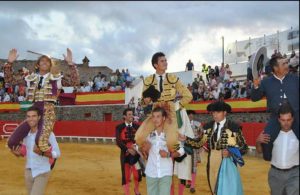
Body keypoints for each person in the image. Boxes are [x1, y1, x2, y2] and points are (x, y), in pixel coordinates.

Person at [5, 48, 79, 153]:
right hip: (33, 112)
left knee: (40, 141)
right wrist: (9, 63)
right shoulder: (29, 78)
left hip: (47, 112)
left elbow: (74, 82)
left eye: (47, 61)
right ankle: (28, 154)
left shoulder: (56, 78)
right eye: (42, 60)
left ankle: (52, 158)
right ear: (37, 64)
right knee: (11, 142)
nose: (44, 62)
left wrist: (71, 64)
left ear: (50, 65)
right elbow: (10, 80)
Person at [180, 101, 248, 195]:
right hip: (211, 161)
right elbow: (199, 142)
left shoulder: (234, 127)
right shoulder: (208, 127)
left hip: (227, 162)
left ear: (225, 112)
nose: (215, 115)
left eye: (218, 112)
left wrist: (230, 153)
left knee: (227, 190)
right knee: (214, 187)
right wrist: (186, 139)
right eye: (213, 112)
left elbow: (244, 147)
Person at [135, 52, 192, 152]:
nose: (165, 62)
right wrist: (146, 101)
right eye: (162, 61)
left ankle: (177, 156)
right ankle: (148, 158)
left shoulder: (173, 78)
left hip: (170, 112)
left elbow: (188, 96)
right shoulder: (148, 80)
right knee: (139, 138)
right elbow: (143, 103)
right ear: (155, 65)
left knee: (171, 143)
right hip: (156, 112)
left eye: (166, 60)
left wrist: (176, 106)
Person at [251, 56, 299, 161]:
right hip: (276, 117)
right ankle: (273, 162)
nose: (287, 66)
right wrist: (255, 86)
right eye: (284, 64)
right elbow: (254, 98)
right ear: (275, 68)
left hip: (296, 116)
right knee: (266, 139)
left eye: (286, 63)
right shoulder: (266, 82)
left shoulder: (295, 79)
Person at [10, 106, 60, 195]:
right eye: (28, 116)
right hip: (28, 172)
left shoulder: (48, 134)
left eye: (33, 116)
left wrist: (42, 153)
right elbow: (25, 153)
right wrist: (17, 154)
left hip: (42, 172)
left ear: (39, 117)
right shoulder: (26, 135)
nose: (31, 119)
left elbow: (57, 153)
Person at [139, 106, 184, 195]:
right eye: (153, 116)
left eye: (158, 116)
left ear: (163, 118)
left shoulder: (170, 134)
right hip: (151, 172)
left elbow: (181, 151)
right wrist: (143, 149)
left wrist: (168, 155)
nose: (155, 119)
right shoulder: (148, 134)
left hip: (165, 172)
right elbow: (139, 148)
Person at [256, 103, 299, 195]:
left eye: (288, 120)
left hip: (295, 174)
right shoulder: (271, 134)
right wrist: (258, 142)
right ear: (279, 119)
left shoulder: (297, 134)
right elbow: (259, 151)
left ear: (293, 119)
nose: (286, 123)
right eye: (283, 120)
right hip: (275, 175)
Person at [116, 108, 142, 195]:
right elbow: (118, 141)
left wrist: (135, 148)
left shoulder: (137, 126)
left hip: (136, 153)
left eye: (132, 114)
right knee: (126, 176)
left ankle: (136, 190)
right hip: (125, 153)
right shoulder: (119, 127)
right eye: (129, 114)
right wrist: (127, 149)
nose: (132, 116)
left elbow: (140, 139)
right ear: (124, 116)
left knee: (137, 174)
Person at [186, 110, 203, 193]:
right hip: (185, 147)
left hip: (194, 147)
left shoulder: (198, 124)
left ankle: (192, 185)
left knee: (194, 167)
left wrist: (198, 142)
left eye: (192, 114)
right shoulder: (183, 124)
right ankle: (188, 181)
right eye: (189, 114)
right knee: (187, 165)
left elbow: (202, 134)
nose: (191, 115)